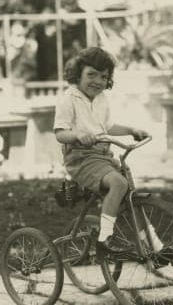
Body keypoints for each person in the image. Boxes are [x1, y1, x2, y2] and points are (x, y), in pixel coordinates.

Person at [53, 47, 149, 254]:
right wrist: (77, 135)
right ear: (78, 74)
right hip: (80, 157)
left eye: (103, 77)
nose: (97, 81)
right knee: (118, 182)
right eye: (91, 75)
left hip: (103, 156)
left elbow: (108, 127)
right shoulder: (69, 98)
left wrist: (131, 130)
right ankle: (104, 239)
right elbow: (60, 133)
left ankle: (153, 245)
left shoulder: (101, 98)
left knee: (132, 196)